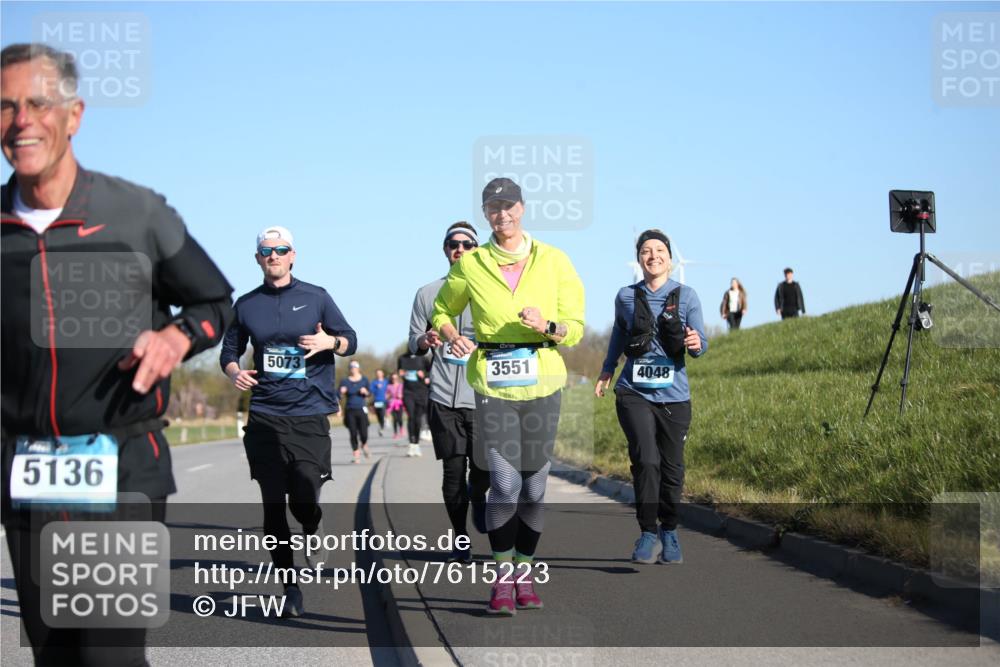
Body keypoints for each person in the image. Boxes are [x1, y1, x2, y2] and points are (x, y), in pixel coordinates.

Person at [1, 43, 234, 665]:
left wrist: (176, 338)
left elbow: (216, 304)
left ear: (73, 115)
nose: (21, 119)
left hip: (121, 464)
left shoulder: (136, 214)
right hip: (26, 474)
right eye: (5, 106)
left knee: (108, 655)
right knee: (56, 657)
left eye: (38, 104)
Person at [432, 177, 585, 615]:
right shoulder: (472, 264)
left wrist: (547, 327)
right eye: (493, 207)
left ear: (522, 207)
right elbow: (443, 309)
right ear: (486, 214)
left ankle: (524, 570)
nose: (503, 214)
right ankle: (501, 580)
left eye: (509, 205)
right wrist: (450, 335)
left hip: (543, 383)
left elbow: (574, 327)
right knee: (504, 483)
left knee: (534, 489)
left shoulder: (555, 261)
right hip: (493, 384)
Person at [220, 224, 357, 618]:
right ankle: (290, 586)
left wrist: (330, 342)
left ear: (293, 255)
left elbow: (351, 339)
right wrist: (234, 372)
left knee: (304, 491)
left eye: (281, 250)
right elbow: (230, 350)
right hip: (264, 414)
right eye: (267, 251)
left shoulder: (316, 298)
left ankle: (311, 529)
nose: (274, 256)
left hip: (310, 413)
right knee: (272, 507)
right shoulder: (246, 305)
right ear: (258, 258)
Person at [595, 229, 708, 565]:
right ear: (639, 258)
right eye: (646, 250)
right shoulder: (625, 296)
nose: (653, 255)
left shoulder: (687, 297)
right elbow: (618, 333)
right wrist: (606, 370)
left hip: (674, 396)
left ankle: (669, 531)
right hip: (633, 392)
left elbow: (701, 341)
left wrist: (697, 344)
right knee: (646, 460)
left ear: (670, 259)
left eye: (659, 250)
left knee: (672, 468)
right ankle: (647, 532)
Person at [409, 221, 490, 563]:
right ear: (445, 250)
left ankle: (480, 494)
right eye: (452, 244)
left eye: (467, 244)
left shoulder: (491, 290)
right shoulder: (427, 293)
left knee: (483, 469)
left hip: (484, 396)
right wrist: (424, 340)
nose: (459, 249)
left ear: (477, 249)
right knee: (453, 471)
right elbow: (413, 343)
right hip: (443, 396)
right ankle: (459, 537)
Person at [397, 349, 432, 457]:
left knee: (417, 419)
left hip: (421, 392)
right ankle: (411, 444)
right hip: (408, 392)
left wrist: (425, 377)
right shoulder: (402, 358)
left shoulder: (423, 358)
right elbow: (399, 371)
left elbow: (430, 372)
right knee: (411, 417)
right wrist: (402, 373)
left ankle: (416, 444)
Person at [339, 360, 371, 463]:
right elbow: (337, 396)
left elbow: (370, 394)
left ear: (358, 368)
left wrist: (366, 392)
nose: (353, 368)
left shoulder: (364, 380)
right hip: (350, 410)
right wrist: (341, 392)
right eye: (351, 366)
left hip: (361, 409)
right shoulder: (345, 381)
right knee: (353, 432)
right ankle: (356, 454)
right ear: (349, 368)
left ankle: (364, 444)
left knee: (364, 433)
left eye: (355, 366)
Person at [386, 372, 405, 440]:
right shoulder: (389, 386)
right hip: (392, 404)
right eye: (393, 378)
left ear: (398, 378)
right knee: (395, 419)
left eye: (395, 378)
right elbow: (386, 395)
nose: (394, 379)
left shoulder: (401, 385)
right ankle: (395, 433)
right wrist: (388, 396)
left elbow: (404, 394)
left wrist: (401, 396)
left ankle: (401, 428)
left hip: (399, 403)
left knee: (399, 418)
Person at [370, 368, 389, 436]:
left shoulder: (386, 382)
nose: (379, 374)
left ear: (382, 374)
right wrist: (376, 387)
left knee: (382, 413)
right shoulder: (374, 382)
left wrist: (388, 395)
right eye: (377, 373)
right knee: (379, 416)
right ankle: (381, 426)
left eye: (380, 373)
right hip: (376, 401)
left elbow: (390, 389)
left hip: (384, 400)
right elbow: (371, 391)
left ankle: (383, 424)